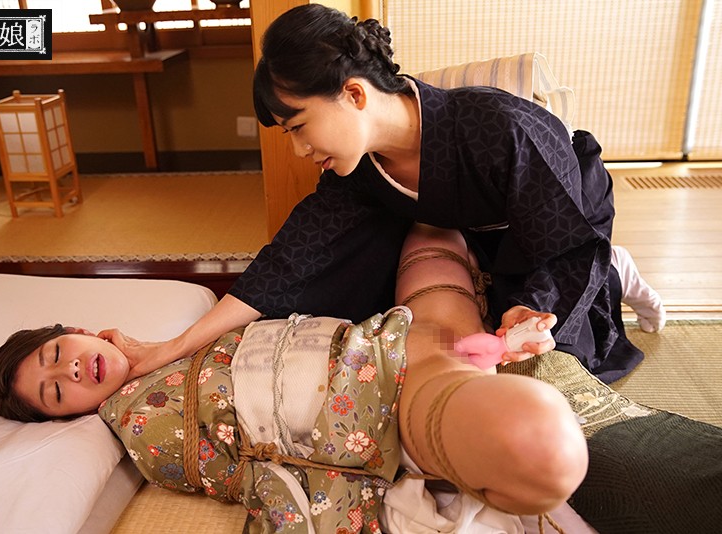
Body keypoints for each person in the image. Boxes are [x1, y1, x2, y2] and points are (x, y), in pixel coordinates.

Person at [100, 4, 663, 385]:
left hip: (561, 215)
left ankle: (616, 268)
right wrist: (173, 347)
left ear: (353, 94)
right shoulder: (359, 170)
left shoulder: (501, 126)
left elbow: (560, 245)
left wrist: (536, 308)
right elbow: (291, 259)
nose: (299, 149)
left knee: (557, 360)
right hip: (483, 230)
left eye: (299, 126)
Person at [0, 223, 589, 533]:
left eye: (58, 352)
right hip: (369, 412)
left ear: (82, 330)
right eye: (56, 390)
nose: (69, 369)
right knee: (533, 445)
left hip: (390, 338)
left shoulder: (170, 337)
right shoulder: (140, 428)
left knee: (432, 227)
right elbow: (243, 471)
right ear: (67, 416)